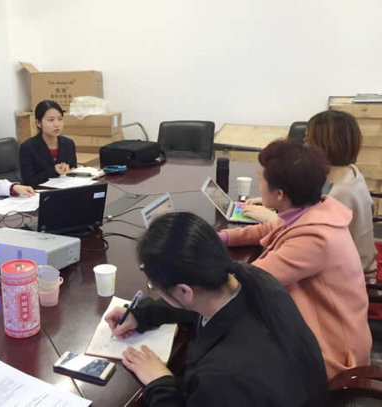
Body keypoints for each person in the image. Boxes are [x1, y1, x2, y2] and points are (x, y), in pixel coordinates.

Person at [105, 212, 328, 406]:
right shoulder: (253, 280)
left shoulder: (221, 377)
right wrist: (142, 314)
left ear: (184, 291)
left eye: (155, 287)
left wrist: (160, 382)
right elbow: (197, 302)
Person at [220, 139, 371, 379]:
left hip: (331, 354)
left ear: (280, 194)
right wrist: (224, 237)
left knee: (225, 360)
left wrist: (200, 260)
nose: (259, 184)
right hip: (321, 326)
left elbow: (248, 282)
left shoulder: (315, 239)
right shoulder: (314, 209)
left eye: (260, 179)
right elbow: (270, 228)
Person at [243, 111, 377, 276]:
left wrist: (270, 217)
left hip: (351, 273)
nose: (304, 146)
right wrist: (278, 199)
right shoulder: (349, 173)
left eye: (307, 140)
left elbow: (308, 231)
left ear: (323, 145)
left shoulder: (340, 194)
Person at [19, 100, 77, 185]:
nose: (57, 124)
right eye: (51, 120)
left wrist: (69, 171)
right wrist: (54, 170)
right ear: (38, 123)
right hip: (41, 192)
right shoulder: (28, 147)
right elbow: (28, 181)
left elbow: (73, 170)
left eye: (60, 119)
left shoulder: (69, 144)